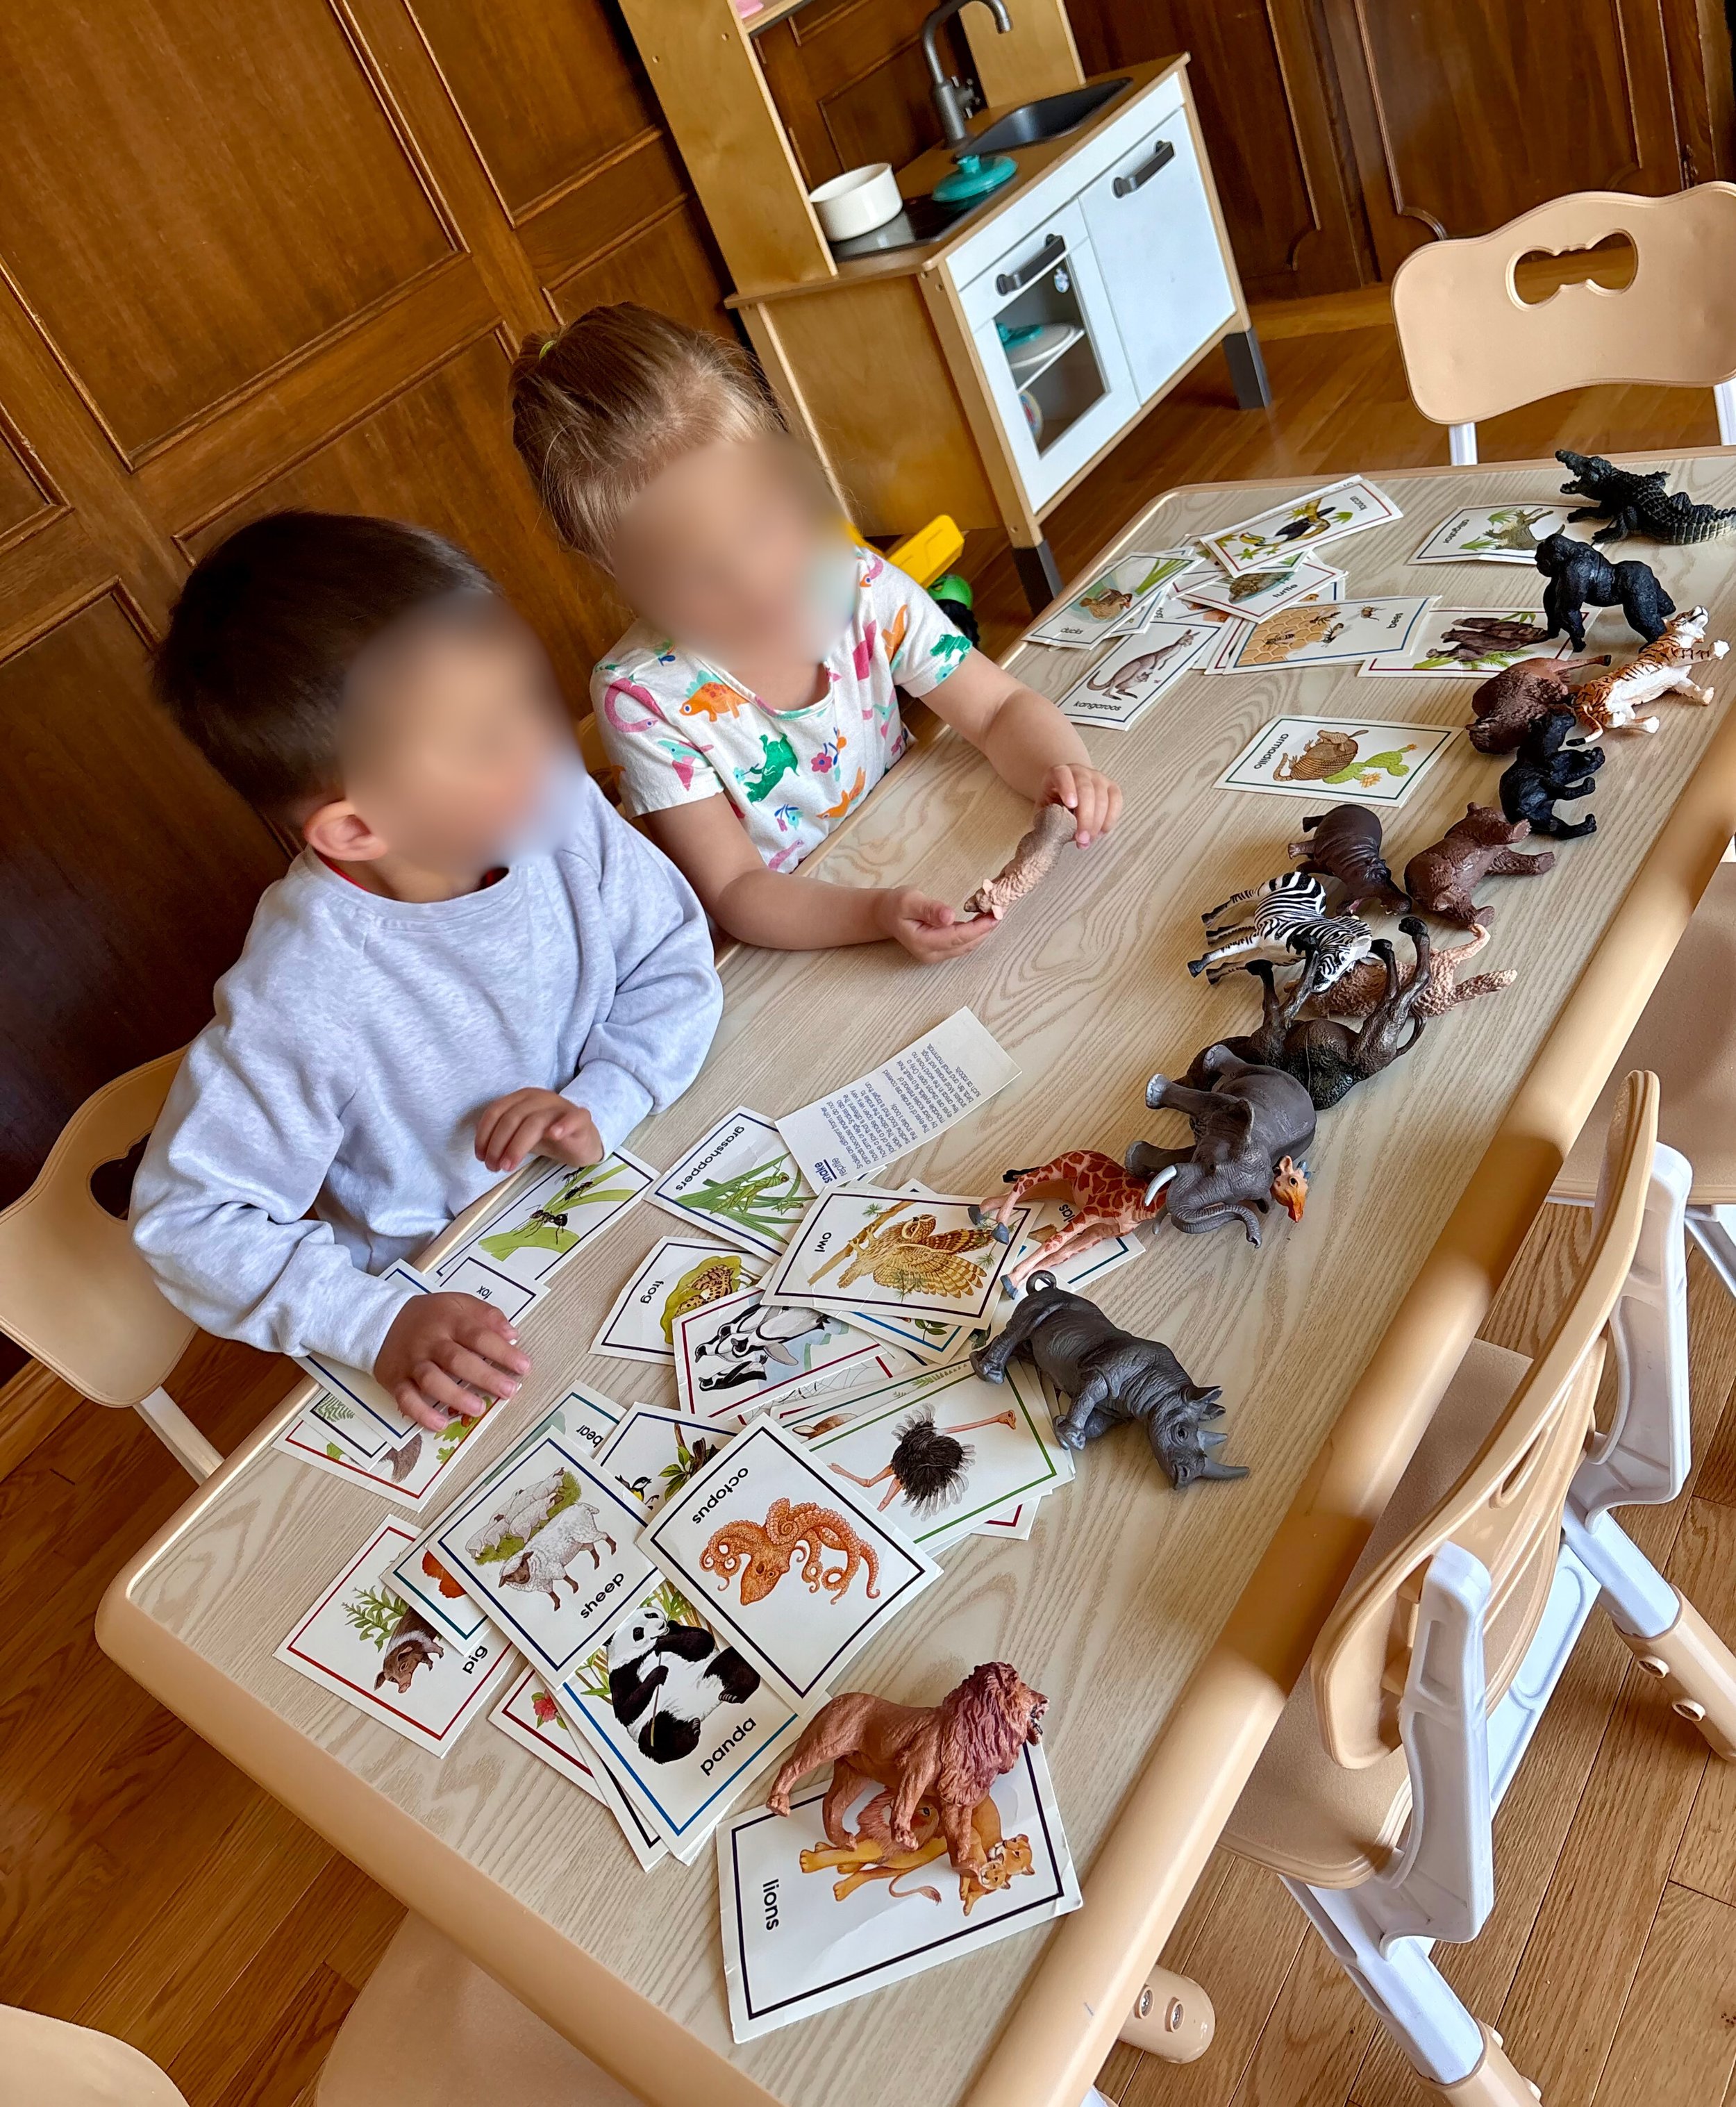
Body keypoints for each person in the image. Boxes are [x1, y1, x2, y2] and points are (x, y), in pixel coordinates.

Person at [131, 510, 721, 1431]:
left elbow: (671, 957)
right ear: (358, 829)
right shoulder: (304, 992)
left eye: (525, 696)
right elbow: (188, 1220)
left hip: (631, 1166)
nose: (544, 741)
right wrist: (377, 1321)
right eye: (486, 740)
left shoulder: (554, 801)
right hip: (464, 1301)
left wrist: (605, 1094)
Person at [509, 303, 1121, 962]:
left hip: (925, 848)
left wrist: (1064, 772)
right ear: (614, 569)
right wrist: (875, 912)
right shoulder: (639, 699)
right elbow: (737, 890)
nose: (754, 583)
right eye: (699, 575)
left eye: (761, 525)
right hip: (810, 944)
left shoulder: (852, 581)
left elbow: (998, 710)